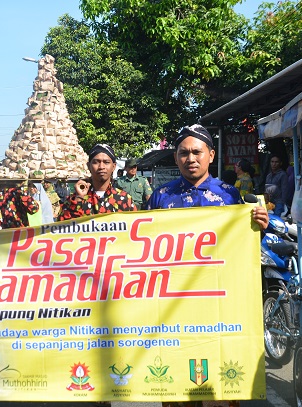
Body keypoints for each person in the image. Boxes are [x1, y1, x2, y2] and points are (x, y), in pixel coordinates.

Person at [148, 124, 267, 407]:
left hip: (219, 300)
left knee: (221, 381)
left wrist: (259, 226)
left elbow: (243, 246)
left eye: (197, 152)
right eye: (183, 153)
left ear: (211, 155)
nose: (191, 158)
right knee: (176, 384)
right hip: (174, 301)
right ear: (176, 158)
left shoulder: (230, 196)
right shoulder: (160, 197)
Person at [58, 144, 137, 221]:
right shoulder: (75, 199)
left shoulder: (124, 199)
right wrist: (78, 199)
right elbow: (62, 228)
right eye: (96, 162)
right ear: (89, 166)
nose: (101, 167)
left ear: (113, 167)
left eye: (106, 162)